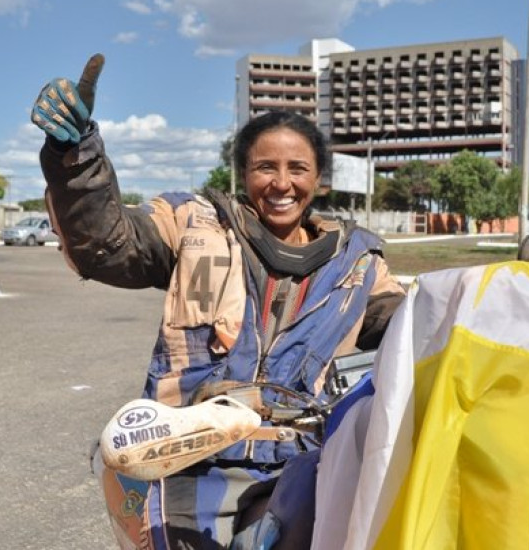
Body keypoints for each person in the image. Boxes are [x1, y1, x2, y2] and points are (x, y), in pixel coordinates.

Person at [31, 54, 405, 549]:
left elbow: (410, 327)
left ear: (319, 179)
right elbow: (107, 242)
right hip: (189, 458)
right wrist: (73, 155)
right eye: (264, 166)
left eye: (298, 168)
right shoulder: (193, 223)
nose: (281, 182)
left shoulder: (359, 263)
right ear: (243, 173)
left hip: (308, 465)